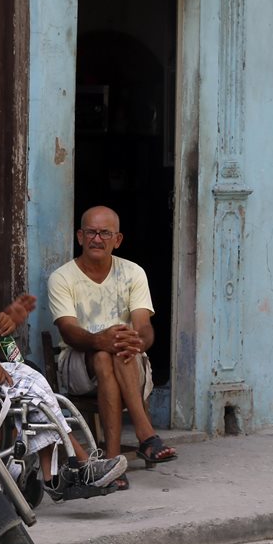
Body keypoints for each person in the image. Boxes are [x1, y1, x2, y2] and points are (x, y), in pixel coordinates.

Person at [0, 218, 127, 500]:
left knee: (32, 384)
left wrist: (6, 321)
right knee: (32, 385)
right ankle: (78, 466)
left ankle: (57, 472)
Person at [47, 206, 177, 491]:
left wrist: (137, 341)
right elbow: (69, 331)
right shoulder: (62, 277)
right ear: (80, 236)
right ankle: (147, 436)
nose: (97, 239)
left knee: (116, 350)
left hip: (126, 362)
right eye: (91, 232)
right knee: (105, 352)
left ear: (117, 240)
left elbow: (143, 326)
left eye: (105, 233)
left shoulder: (133, 273)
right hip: (78, 365)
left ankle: (113, 459)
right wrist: (97, 340)